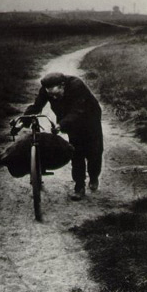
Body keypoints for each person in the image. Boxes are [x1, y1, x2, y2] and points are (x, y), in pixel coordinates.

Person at [24, 72, 103, 201]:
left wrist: (60, 125)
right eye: (51, 95)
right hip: (69, 119)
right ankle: (79, 186)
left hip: (89, 117)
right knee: (76, 152)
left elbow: (78, 111)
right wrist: (24, 120)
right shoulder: (46, 89)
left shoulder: (77, 86)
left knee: (94, 151)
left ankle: (93, 177)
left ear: (63, 86)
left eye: (56, 94)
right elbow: (37, 106)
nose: (54, 98)